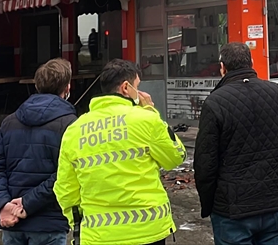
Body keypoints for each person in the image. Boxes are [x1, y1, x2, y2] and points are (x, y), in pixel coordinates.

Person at [194, 42, 278, 245]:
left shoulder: (215, 102)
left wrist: (209, 204)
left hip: (232, 209)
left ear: (222, 67)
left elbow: (204, 163)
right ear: (252, 63)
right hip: (275, 204)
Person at [54, 59, 186, 245]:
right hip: (148, 232)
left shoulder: (75, 130)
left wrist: (79, 225)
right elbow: (176, 157)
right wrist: (150, 111)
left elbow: (65, 189)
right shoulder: (146, 120)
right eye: (137, 86)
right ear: (126, 87)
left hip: (99, 235)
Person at [0, 58, 77, 245]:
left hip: (13, 224)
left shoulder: (10, 121)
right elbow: (66, 175)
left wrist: (3, 205)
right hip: (50, 223)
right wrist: (27, 203)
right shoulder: (70, 124)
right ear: (67, 88)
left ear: (37, 85)